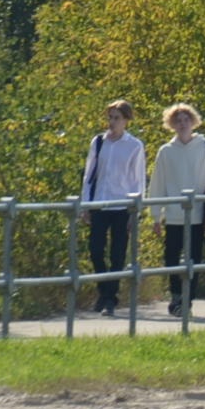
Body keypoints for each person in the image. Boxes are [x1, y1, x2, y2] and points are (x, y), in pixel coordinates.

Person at [146, 103, 205, 315]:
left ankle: (188, 299)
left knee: (194, 259)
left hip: (198, 214)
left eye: (185, 120)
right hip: (173, 215)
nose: (182, 124)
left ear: (193, 122)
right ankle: (176, 295)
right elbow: (157, 184)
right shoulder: (166, 151)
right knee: (171, 258)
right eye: (177, 120)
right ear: (172, 124)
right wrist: (155, 216)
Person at [78, 100, 146, 316]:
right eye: (110, 117)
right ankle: (103, 291)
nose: (112, 122)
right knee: (96, 250)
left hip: (121, 206)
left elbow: (138, 180)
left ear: (126, 120)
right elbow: (89, 175)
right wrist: (85, 205)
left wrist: (135, 211)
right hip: (100, 202)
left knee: (117, 254)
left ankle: (110, 299)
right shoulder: (98, 142)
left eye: (117, 118)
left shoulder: (134, 145)